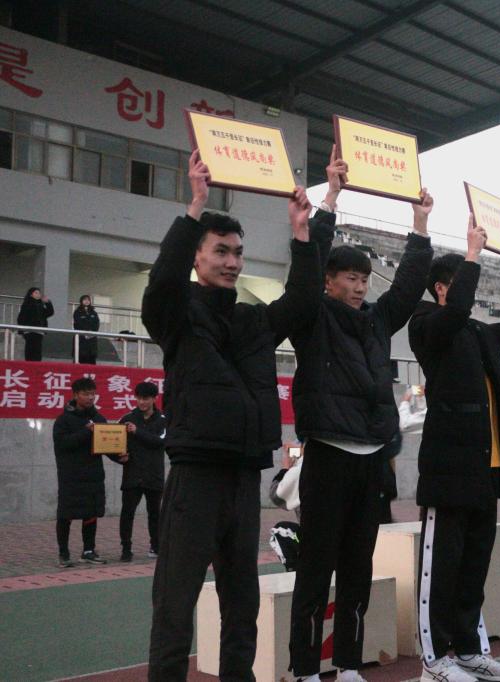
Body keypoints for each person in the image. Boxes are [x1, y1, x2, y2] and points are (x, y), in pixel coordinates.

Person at [142, 150, 324, 681]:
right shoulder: (176, 315)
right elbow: (162, 282)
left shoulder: (253, 321)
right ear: (197, 257)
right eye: (220, 251)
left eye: (238, 253)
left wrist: (301, 233)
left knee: (242, 606)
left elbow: (304, 299)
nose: (232, 262)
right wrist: (195, 206)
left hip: (245, 477)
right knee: (175, 604)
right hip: (195, 476)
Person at [288, 146, 435, 682]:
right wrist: (330, 197)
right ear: (328, 280)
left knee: (357, 565)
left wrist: (420, 225)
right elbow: (306, 266)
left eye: (363, 278)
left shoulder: (377, 320)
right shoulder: (310, 317)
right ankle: (306, 668)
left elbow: (409, 286)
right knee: (316, 565)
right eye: (348, 277)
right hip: (328, 455)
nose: (357, 286)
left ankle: (348, 664)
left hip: (372, 460)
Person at [409, 217, 500, 682]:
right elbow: (456, 311)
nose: (470, 295)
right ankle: (434, 660)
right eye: (462, 284)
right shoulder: (427, 325)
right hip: (449, 469)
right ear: (443, 288)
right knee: (441, 569)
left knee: (473, 567)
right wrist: (474, 254)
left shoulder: (478, 332)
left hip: (487, 468)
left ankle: (467, 649)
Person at [52, 377, 110, 567]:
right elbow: (63, 444)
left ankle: (88, 551)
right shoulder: (63, 420)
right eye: (86, 394)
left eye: (93, 394)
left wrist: (121, 456)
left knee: (91, 513)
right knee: (65, 515)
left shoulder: (99, 418)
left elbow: (107, 444)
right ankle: (63, 553)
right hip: (71, 477)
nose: (90, 398)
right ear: (75, 395)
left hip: (94, 475)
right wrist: (87, 431)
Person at [115, 381, 166, 562]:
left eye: (146, 398)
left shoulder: (163, 420)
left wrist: (137, 432)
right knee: (127, 513)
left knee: (155, 513)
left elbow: (160, 441)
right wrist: (118, 457)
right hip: (132, 475)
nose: (142, 402)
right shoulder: (127, 418)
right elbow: (113, 444)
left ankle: (155, 546)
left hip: (154, 475)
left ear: (154, 399)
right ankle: (126, 549)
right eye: (139, 398)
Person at [17, 287, 54, 361]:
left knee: (37, 350)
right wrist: (22, 330)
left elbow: (50, 312)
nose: (38, 294)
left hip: (39, 331)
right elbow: (21, 317)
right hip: (29, 330)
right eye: (36, 293)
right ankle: (29, 364)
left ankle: (36, 365)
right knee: (30, 349)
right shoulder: (27, 304)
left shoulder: (40, 305)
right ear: (31, 294)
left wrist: (48, 303)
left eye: (39, 293)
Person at [73, 295, 101, 364]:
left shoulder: (93, 312)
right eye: (85, 300)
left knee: (92, 358)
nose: (86, 301)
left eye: (88, 300)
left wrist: (92, 332)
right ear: (81, 301)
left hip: (92, 338)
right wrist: (85, 332)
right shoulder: (77, 312)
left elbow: (97, 323)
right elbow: (78, 323)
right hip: (82, 338)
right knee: (81, 357)